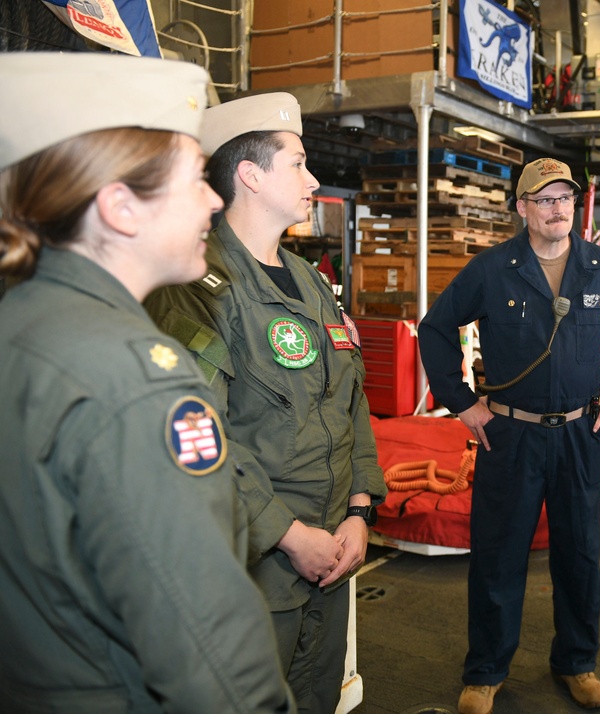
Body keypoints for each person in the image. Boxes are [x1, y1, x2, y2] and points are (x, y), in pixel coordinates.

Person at [0, 52, 293, 712]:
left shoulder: (21, 324)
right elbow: (207, 644)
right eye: (196, 178)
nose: (216, 200)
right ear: (121, 208)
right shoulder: (136, 380)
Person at [144, 92, 387, 714]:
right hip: (257, 569)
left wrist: (361, 509)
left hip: (333, 554)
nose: (312, 180)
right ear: (250, 175)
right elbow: (196, 439)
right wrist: (286, 534)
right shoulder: (196, 292)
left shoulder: (309, 281)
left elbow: (351, 398)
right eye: (298, 164)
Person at [418, 158, 600, 714]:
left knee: (580, 556)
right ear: (522, 208)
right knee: (498, 557)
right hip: (511, 437)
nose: (558, 209)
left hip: (580, 436)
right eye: (545, 199)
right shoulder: (492, 269)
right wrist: (462, 404)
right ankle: (485, 673)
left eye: (565, 198)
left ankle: (577, 662)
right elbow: (435, 329)